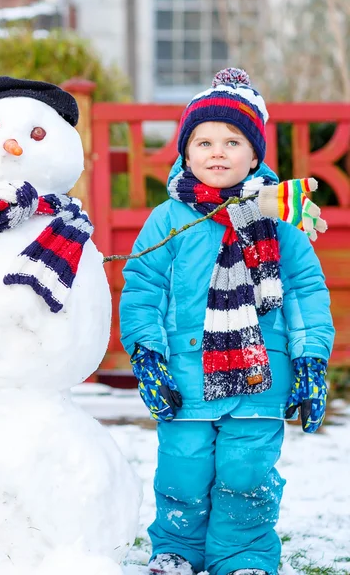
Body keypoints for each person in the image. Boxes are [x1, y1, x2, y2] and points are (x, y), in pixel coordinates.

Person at [119, 68, 334, 575]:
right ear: (185, 153)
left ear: (255, 155)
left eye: (233, 141)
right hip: (186, 373)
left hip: (262, 372)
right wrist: (147, 353)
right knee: (183, 467)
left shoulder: (281, 220)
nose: (217, 152)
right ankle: (176, 550)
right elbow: (144, 288)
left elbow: (306, 292)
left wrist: (310, 359)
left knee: (247, 470)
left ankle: (243, 555)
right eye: (204, 141)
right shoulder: (169, 219)